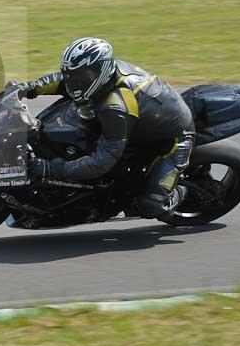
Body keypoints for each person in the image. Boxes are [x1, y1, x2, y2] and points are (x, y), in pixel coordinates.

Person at [19, 37, 195, 218]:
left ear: (100, 72)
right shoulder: (99, 75)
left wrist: (53, 169)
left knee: (151, 206)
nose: (74, 81)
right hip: (141, 122)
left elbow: (103, 161)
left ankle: (179, 193)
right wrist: (28, 88)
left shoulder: (115, 106)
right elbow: (64, 79)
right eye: (73, 74)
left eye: (82, 76)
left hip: (174, 137)